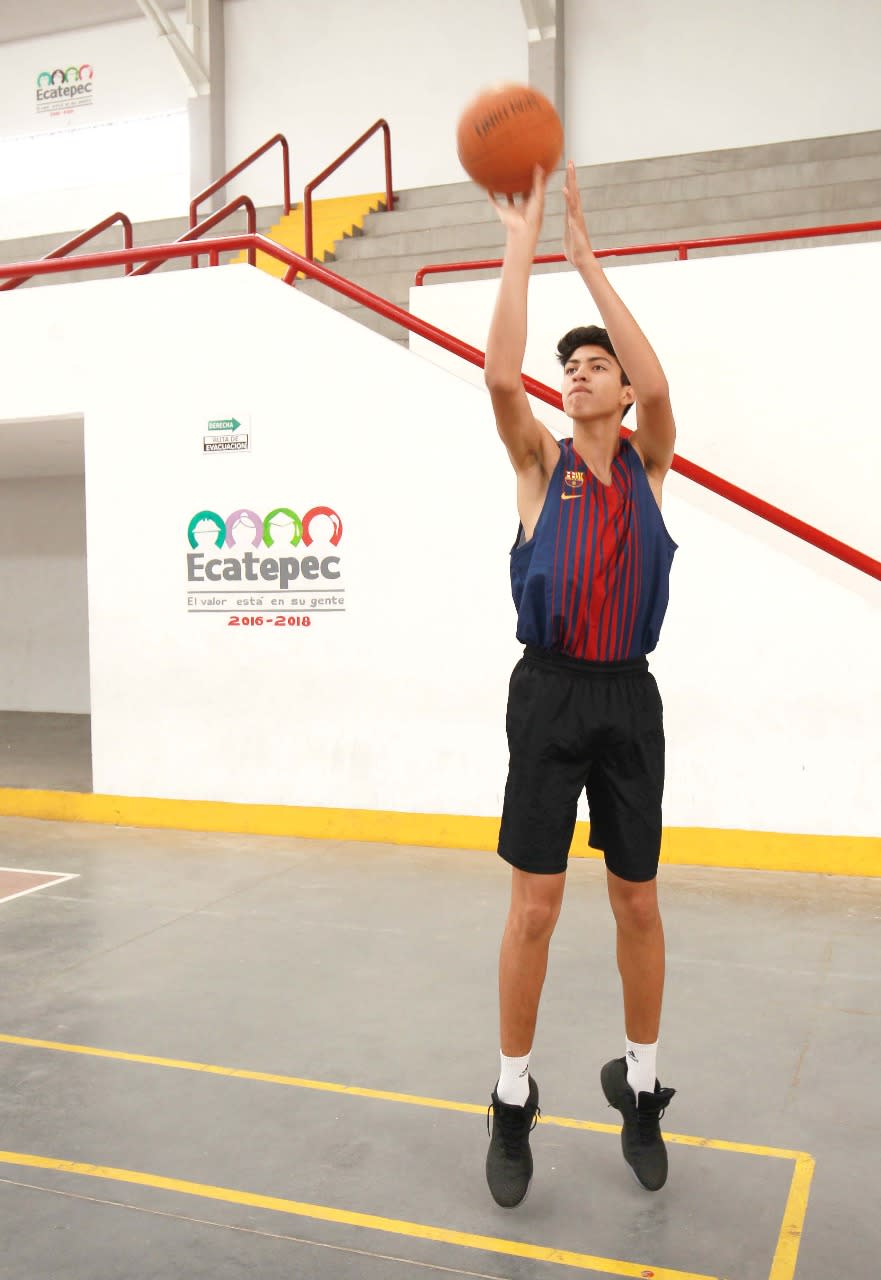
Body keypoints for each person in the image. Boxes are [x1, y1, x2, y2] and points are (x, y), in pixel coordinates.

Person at [483, 161, 678, 1207]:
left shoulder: (649, 464)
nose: (579, 374)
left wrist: (587, 264)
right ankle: (511, 1096)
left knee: (637, 901)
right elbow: (500, 376)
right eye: (572, 367)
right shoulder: (535, 462)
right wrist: (520, 244)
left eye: (594, 364)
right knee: (535, 906)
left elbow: (657, 384)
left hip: (627, 695)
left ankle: (638, 1084)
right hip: (549, 691)